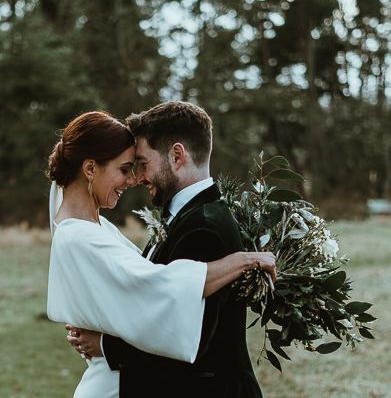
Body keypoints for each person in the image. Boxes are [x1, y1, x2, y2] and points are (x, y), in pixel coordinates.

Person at [46, 110, 276, 398]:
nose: (135, 179)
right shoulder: (82, 235)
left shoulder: (200, 225)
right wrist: (244, 261)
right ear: (90, 169)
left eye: (140, 164)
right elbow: (155, 287)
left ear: (177, 156)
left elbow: (183, 318)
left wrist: (106, 345)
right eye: (126, 168)